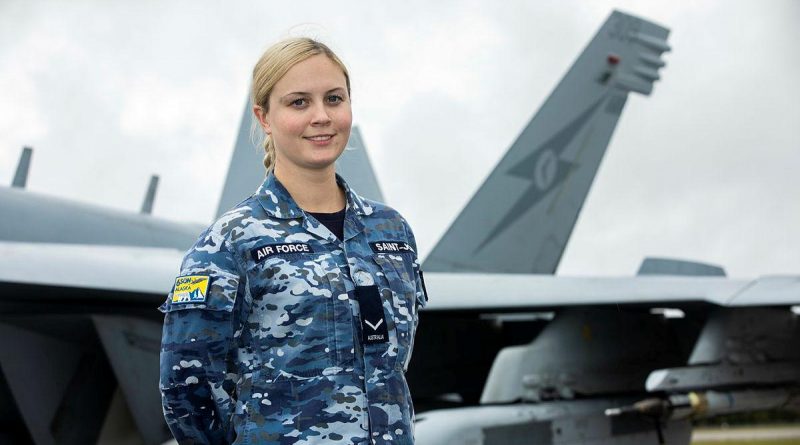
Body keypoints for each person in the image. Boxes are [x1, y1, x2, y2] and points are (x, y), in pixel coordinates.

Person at [159, 37, 428, 445]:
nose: (321, 116)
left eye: (334, 99)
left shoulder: (391, 233)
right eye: (299, 102)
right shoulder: (230, 243)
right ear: (264, 116)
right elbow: (187, 390)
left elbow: (394, 366)